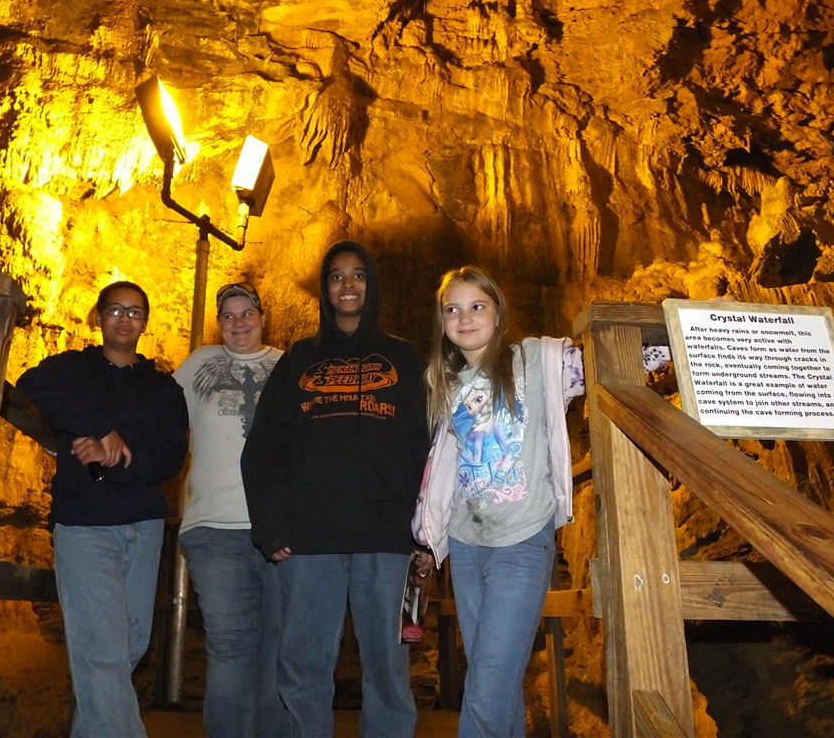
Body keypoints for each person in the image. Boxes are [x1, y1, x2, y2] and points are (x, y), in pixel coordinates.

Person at [413, 266, 670, 738]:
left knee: (487, 683)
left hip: (521, 541)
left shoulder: (532, 363)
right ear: (441, 321)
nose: (464, 318)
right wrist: (428, 534)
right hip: (466, 544)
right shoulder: (443, 382)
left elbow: (607, 360)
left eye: (477, 306)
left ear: (498, 312)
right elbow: (441, 465)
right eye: (452, 309)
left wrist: (680, 333)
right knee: (497, 677)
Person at [241, 241, 429, 738]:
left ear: (372, 283)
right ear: (325, 288)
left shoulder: (403, 358)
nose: (348, 285)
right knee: (303, 666)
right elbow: (265, 449)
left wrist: (426, 530)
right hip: (310, 538)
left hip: (386, 536)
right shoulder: (299, 359)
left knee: (388, 669)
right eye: (337, 276)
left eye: (358, 274)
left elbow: (425, 447)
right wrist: (271, 525)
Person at [16, 280, 188, 738]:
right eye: (115, 309)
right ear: (98, 316)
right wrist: (97, 427)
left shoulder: (164, 389)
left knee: (127, 645)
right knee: (102, 652)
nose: (124, 319)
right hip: (86, 523)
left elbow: (170, 456)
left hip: (143, 524)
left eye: (134, 312)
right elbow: (30, 386)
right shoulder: (70, 369)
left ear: (145, 323)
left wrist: (115, 455)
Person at [173, 282, 289, 738]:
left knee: (280, 649)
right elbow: (156, 415)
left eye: (247, 313)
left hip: (281, 530)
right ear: (219, 322)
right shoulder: (198, 364)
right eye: (228, 315)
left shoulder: (288, 365)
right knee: (229, 647)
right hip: (214, 528)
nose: (238, 322)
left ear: (262, 317)